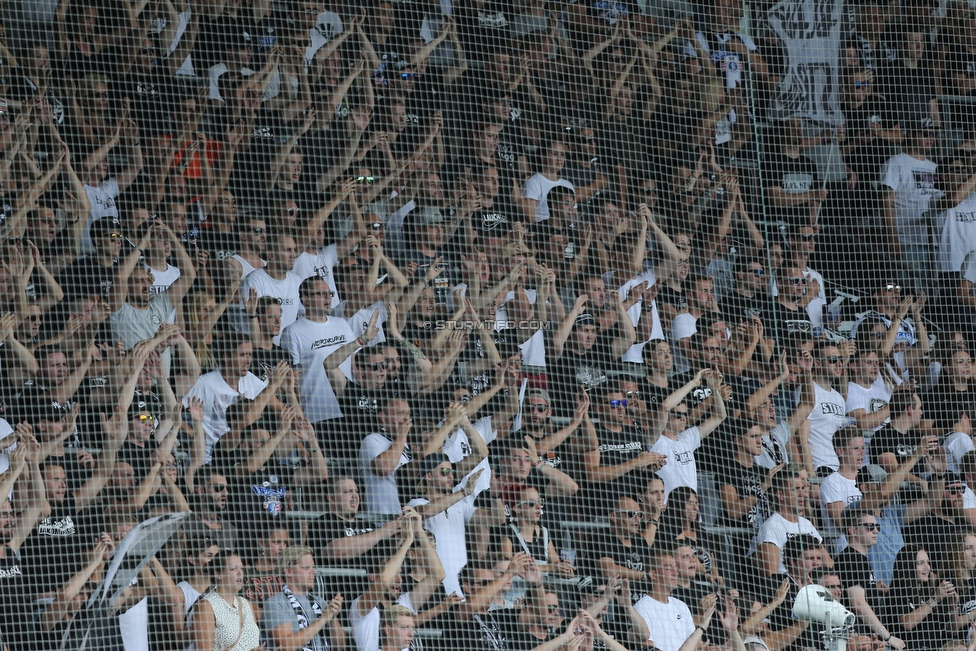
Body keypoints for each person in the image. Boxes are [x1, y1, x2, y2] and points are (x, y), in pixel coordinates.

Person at [836, 507, 905, 648]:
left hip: (866, 637)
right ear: (852, 530)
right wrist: (888, 637)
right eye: (869, 526)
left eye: (877, 526)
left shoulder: (859, 559)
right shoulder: (852, 559)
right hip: (858, 637)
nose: (876, 531)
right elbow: (858, 604)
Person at [260, 546, 345, 651]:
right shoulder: (276, 603)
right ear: (289, 571)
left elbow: (340, 647)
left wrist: (332, 617)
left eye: (313, 567)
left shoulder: (320, 602)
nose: (313, 572)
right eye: (306, 567)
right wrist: (322, 620)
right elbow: (286, 645)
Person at [883, 544, 957, 651]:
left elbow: (952, 631)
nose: (927, 567)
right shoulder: (897, 591)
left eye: (928, 562)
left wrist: (953, 607)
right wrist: (935, 599)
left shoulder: (926, 592)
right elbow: (907, 623)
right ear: (907, 566)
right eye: (920, 563)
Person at [192, 551, 262, 651]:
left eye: (241, 568)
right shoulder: (207, 606)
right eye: (233, 569)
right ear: (218, 574)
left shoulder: (246, 604)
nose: (240, 572)